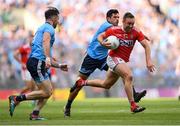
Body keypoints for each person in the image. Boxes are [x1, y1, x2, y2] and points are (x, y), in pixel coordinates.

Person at [64, 9, 147, 117]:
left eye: (118, 17)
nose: (117, 19)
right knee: (78, 85)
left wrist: (140, 35)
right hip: (91, 57)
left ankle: (134, 94)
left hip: (104, 58)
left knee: (121, 71)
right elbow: (126, 29)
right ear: (108, 18)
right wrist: (139, 34)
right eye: (114, 17)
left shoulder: (116, 28)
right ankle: (68, 106)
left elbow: (129, 30)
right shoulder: (107, 26)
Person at [9, 7, 68, 120]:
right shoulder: (49, 28)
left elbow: (45, 52)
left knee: (46, 92)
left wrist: (60, 65)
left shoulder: (41, 28)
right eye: (58, 18)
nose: (58, 21)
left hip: (36, 62)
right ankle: (16, 99)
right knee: (47, 92)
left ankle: (35, 114)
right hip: (37, 62)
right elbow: (45, 41)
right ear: (54, 17)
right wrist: (47, 58)